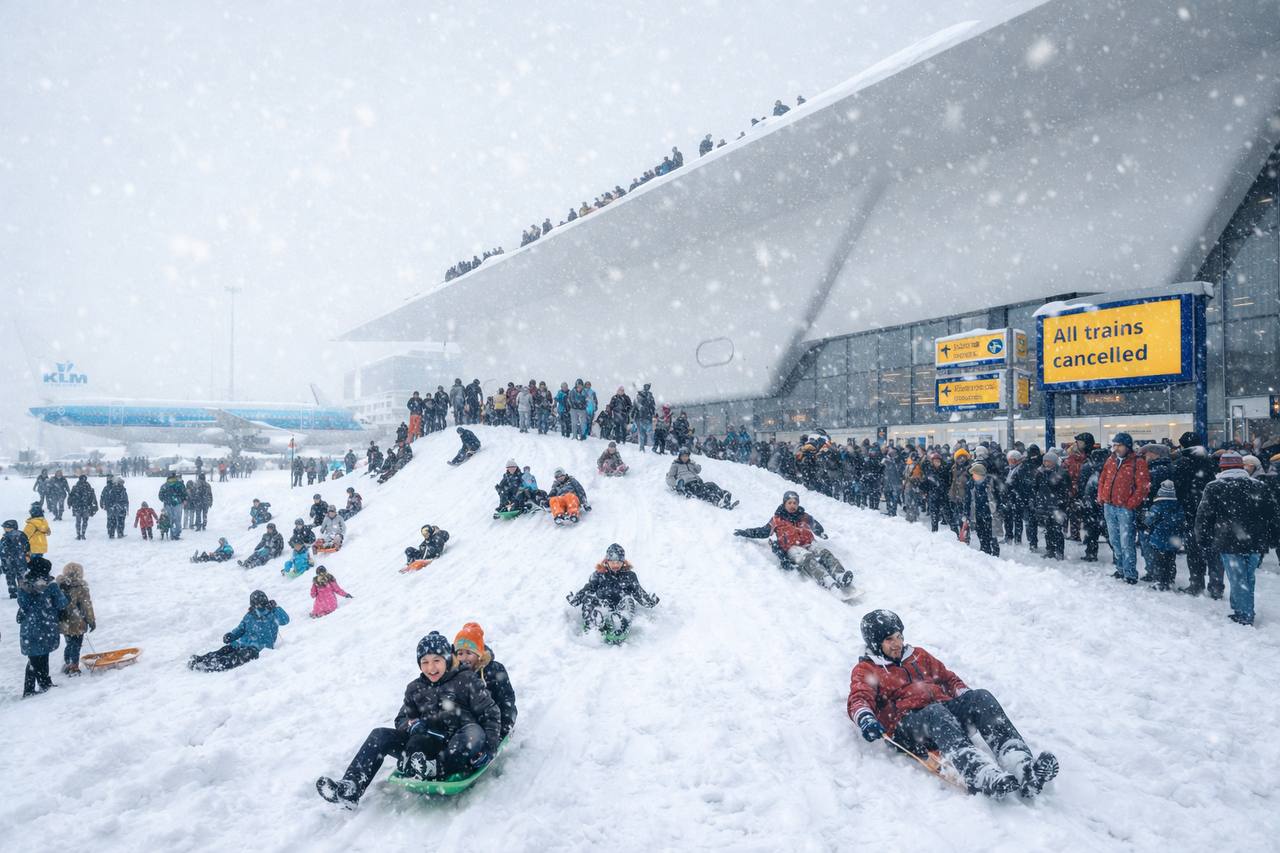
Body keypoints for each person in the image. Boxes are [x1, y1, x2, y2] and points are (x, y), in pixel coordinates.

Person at [847, 610, 1058, 799]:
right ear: (875, 643)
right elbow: (859, 699)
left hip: (943, 716)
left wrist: (968, 699)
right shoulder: (867, 669)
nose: (897, 644)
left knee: (980, 697)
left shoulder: (918, 655)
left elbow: (948, 679)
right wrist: (866, 719)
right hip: (908, 728)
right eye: (888, 640)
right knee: (935, 712)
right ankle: (979, 773)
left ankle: (1021, 765)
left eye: (899, 636)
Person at [315, 632, 502, 806]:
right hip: (428, 744)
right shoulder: (415, 688)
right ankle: (351, 786)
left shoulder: (466, 680)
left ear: (447, 659)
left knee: (473, 732)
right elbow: (402, 719)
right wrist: (412, 726)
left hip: (459, 742)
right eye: (425, 662)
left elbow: (491, 713)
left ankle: (435, 768)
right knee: (379, 735)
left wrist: (489, 748)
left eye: (436, 660)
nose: (431, 667)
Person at [1195, 451, 1279, 626]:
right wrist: (1273, 538)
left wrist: (1202, 538)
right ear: (1241, 466)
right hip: (1255, 540)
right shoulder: (1259, 485)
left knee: (1237, 577)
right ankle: (1241, 608)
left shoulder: (1214, 486)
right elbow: (1272, 514)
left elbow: (1204, 516)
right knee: (1248, 576)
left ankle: (1245, 614)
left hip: (1228, 540)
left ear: (1222, 467)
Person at [734, 490, 854, 592]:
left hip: (808, 543)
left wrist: (820, 532)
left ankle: (839, 575)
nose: (792, 505)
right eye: (789, 503)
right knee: (808, 559)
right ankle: (828, 581)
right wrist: (746, 532)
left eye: (795, 503)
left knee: (824, 553)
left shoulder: (804, 516)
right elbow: (764, 531)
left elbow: (814, 524)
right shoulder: (777, 519)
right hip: (792, 548)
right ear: (784, 503)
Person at [566, 544, 659, 637]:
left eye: (619, 562)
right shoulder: (599, 574)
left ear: (623, 562)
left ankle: (620, 624)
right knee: (589, 598)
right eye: (613, 562)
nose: (615, 565)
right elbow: (588, 588)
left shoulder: (629, 576)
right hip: (602, 606)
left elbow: (638, 591)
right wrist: (576, 599)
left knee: (628, 601)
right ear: (607, 561)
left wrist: (649, 602)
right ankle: (594, 625)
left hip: (620, 608)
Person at [188, 590, 290, 672]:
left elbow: (285, 620)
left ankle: (211, 665)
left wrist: (276, 608)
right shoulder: (250, 615)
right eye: (257, 603)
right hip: (241, 643)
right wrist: (231, 636)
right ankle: (203, 659)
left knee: (235, 658)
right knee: (224, 650)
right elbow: (241, 629)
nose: (260, 605)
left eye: (262, 602)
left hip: (258, 648)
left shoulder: (272, 613)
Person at [1096, 432, 1150, 584]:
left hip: (1125, 508)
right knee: (1114, 540)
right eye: (1114, 445)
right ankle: (1120, 569)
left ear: (1127, 446)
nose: (1116, 448)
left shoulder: (1137, 462)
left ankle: (1130, 573)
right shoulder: (1110, 460)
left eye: (1119, 445)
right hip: (1109, 505)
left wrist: (1131, 503)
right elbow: (1103, 479)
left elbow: (1143, 487)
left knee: (1126, 541)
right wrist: (1101, 496)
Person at [1171, 432, 1219, 596]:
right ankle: (1216, 586)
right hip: (1211, 511)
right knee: (1212, 550)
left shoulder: (1182, 463)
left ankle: (1196, 583)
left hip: (1191, 511)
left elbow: (1179, 489)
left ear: (1183, 446)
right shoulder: (1210, 461)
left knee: (1194, 550)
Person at [453, 623, 517, 740]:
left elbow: (506, 699)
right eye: (460, 653)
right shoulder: (455, 672)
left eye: (469, 653)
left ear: (479, 654)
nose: (464, 658)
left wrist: (504, 726)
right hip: (467, 722)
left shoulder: (495, 670)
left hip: (493, 719)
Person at [16, 556, 68, 697]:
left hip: (30, 625)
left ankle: (30, 688)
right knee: (43, 654)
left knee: (33, 656)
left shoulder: (23, 585)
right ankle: (44, 684)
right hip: (47, 624)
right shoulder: (51, 585)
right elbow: (61, 603)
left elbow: (22, 604)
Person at [56, 562, 95, 675]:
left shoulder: (59, 585)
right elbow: (86, 605)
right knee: (76, 644)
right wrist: (91, 621)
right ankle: (74, 666)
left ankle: (68, 663)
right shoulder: (81, 587)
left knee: (69, 643)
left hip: (63, 620)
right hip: (77, 621)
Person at [1143, 481, 1183, 591]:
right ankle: (1170, 579)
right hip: (1173, 540)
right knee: (1170, 561)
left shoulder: (1157, 506)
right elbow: (1181, 519)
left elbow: (1148, 520)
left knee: (1159, 562)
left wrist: (1145, 520)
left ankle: (1160, 582)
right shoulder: (1178, 506)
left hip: (1158, 539)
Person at [666, 447, 735, 509]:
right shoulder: (675, 465)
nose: (685, 458)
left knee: (711, 484)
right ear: (680, 456)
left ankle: (723, 494)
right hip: (687, 485)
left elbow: (698, 471)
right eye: (683, 456)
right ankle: (717, 501)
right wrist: (677, 483)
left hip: (697, 482)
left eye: (686, 456)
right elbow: (669, 478)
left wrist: (695, 465)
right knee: (704, 491)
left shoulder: (690, 463)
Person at [1033, 450, 1070, 560]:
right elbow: (1036, 487)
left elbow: (1065, 490)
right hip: (1044, 505)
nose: (1046, 463)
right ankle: (1050, 549)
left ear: (1054, 462)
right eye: (1045, 461)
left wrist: (1060, 502)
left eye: (1049, 461)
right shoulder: (1040, 473)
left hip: (1057, 506)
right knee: (1048, 529)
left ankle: (1059, 551)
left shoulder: (1062, 473)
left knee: (1057, 530)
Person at [964, 463, 1001, 556]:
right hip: (977, 514)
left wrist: (999, 509)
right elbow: (967, 500)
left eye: (974, 474)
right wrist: (966, 513)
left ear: (980, 474)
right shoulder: (970, 484)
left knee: (991, 533)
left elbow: (997, 498)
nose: (973, 476)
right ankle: (985, 549)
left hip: (989, 513)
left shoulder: (990, 483)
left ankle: (995, 551)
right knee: (980, 533)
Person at [1, 519, 30, 598]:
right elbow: (27, 546)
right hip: (18, 561)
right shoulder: (21, 535)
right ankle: (22, 592)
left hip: (11, 561)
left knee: (11, 577)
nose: (4, 529)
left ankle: (14, 593)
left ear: (12, 527)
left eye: (6, 527)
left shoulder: (8, 537)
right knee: (19, 577)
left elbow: (3, 550)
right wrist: (27, 555)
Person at [158, 473, 188, 541]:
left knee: (170, 520)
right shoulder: (180, 484)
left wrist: (165, 500)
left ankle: (172, 534)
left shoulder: (164, 485)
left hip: (168, 504)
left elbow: (160, 496)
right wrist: (184, 500)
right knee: (177, 520)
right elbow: (184, 493)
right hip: (178, 504)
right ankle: (176, 534)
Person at [69, 474, 98, 540]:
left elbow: (71, 496)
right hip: (84, 507)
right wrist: (95, 505)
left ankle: (80, 534)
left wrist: (70, 503)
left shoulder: (77, 487)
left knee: (79, 521)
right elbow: (93, 497)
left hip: (80, 507)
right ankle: (81, 534)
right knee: (83, 521)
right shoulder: (87, 487)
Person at [100, 474, 130, 539]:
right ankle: (117, 533)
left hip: (114, 507)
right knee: (117, 521)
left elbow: (103, 497)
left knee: (113, 520)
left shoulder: (116, 488)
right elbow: (124, 499)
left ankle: (112, 533)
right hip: (117, 507)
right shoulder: (114, 488)